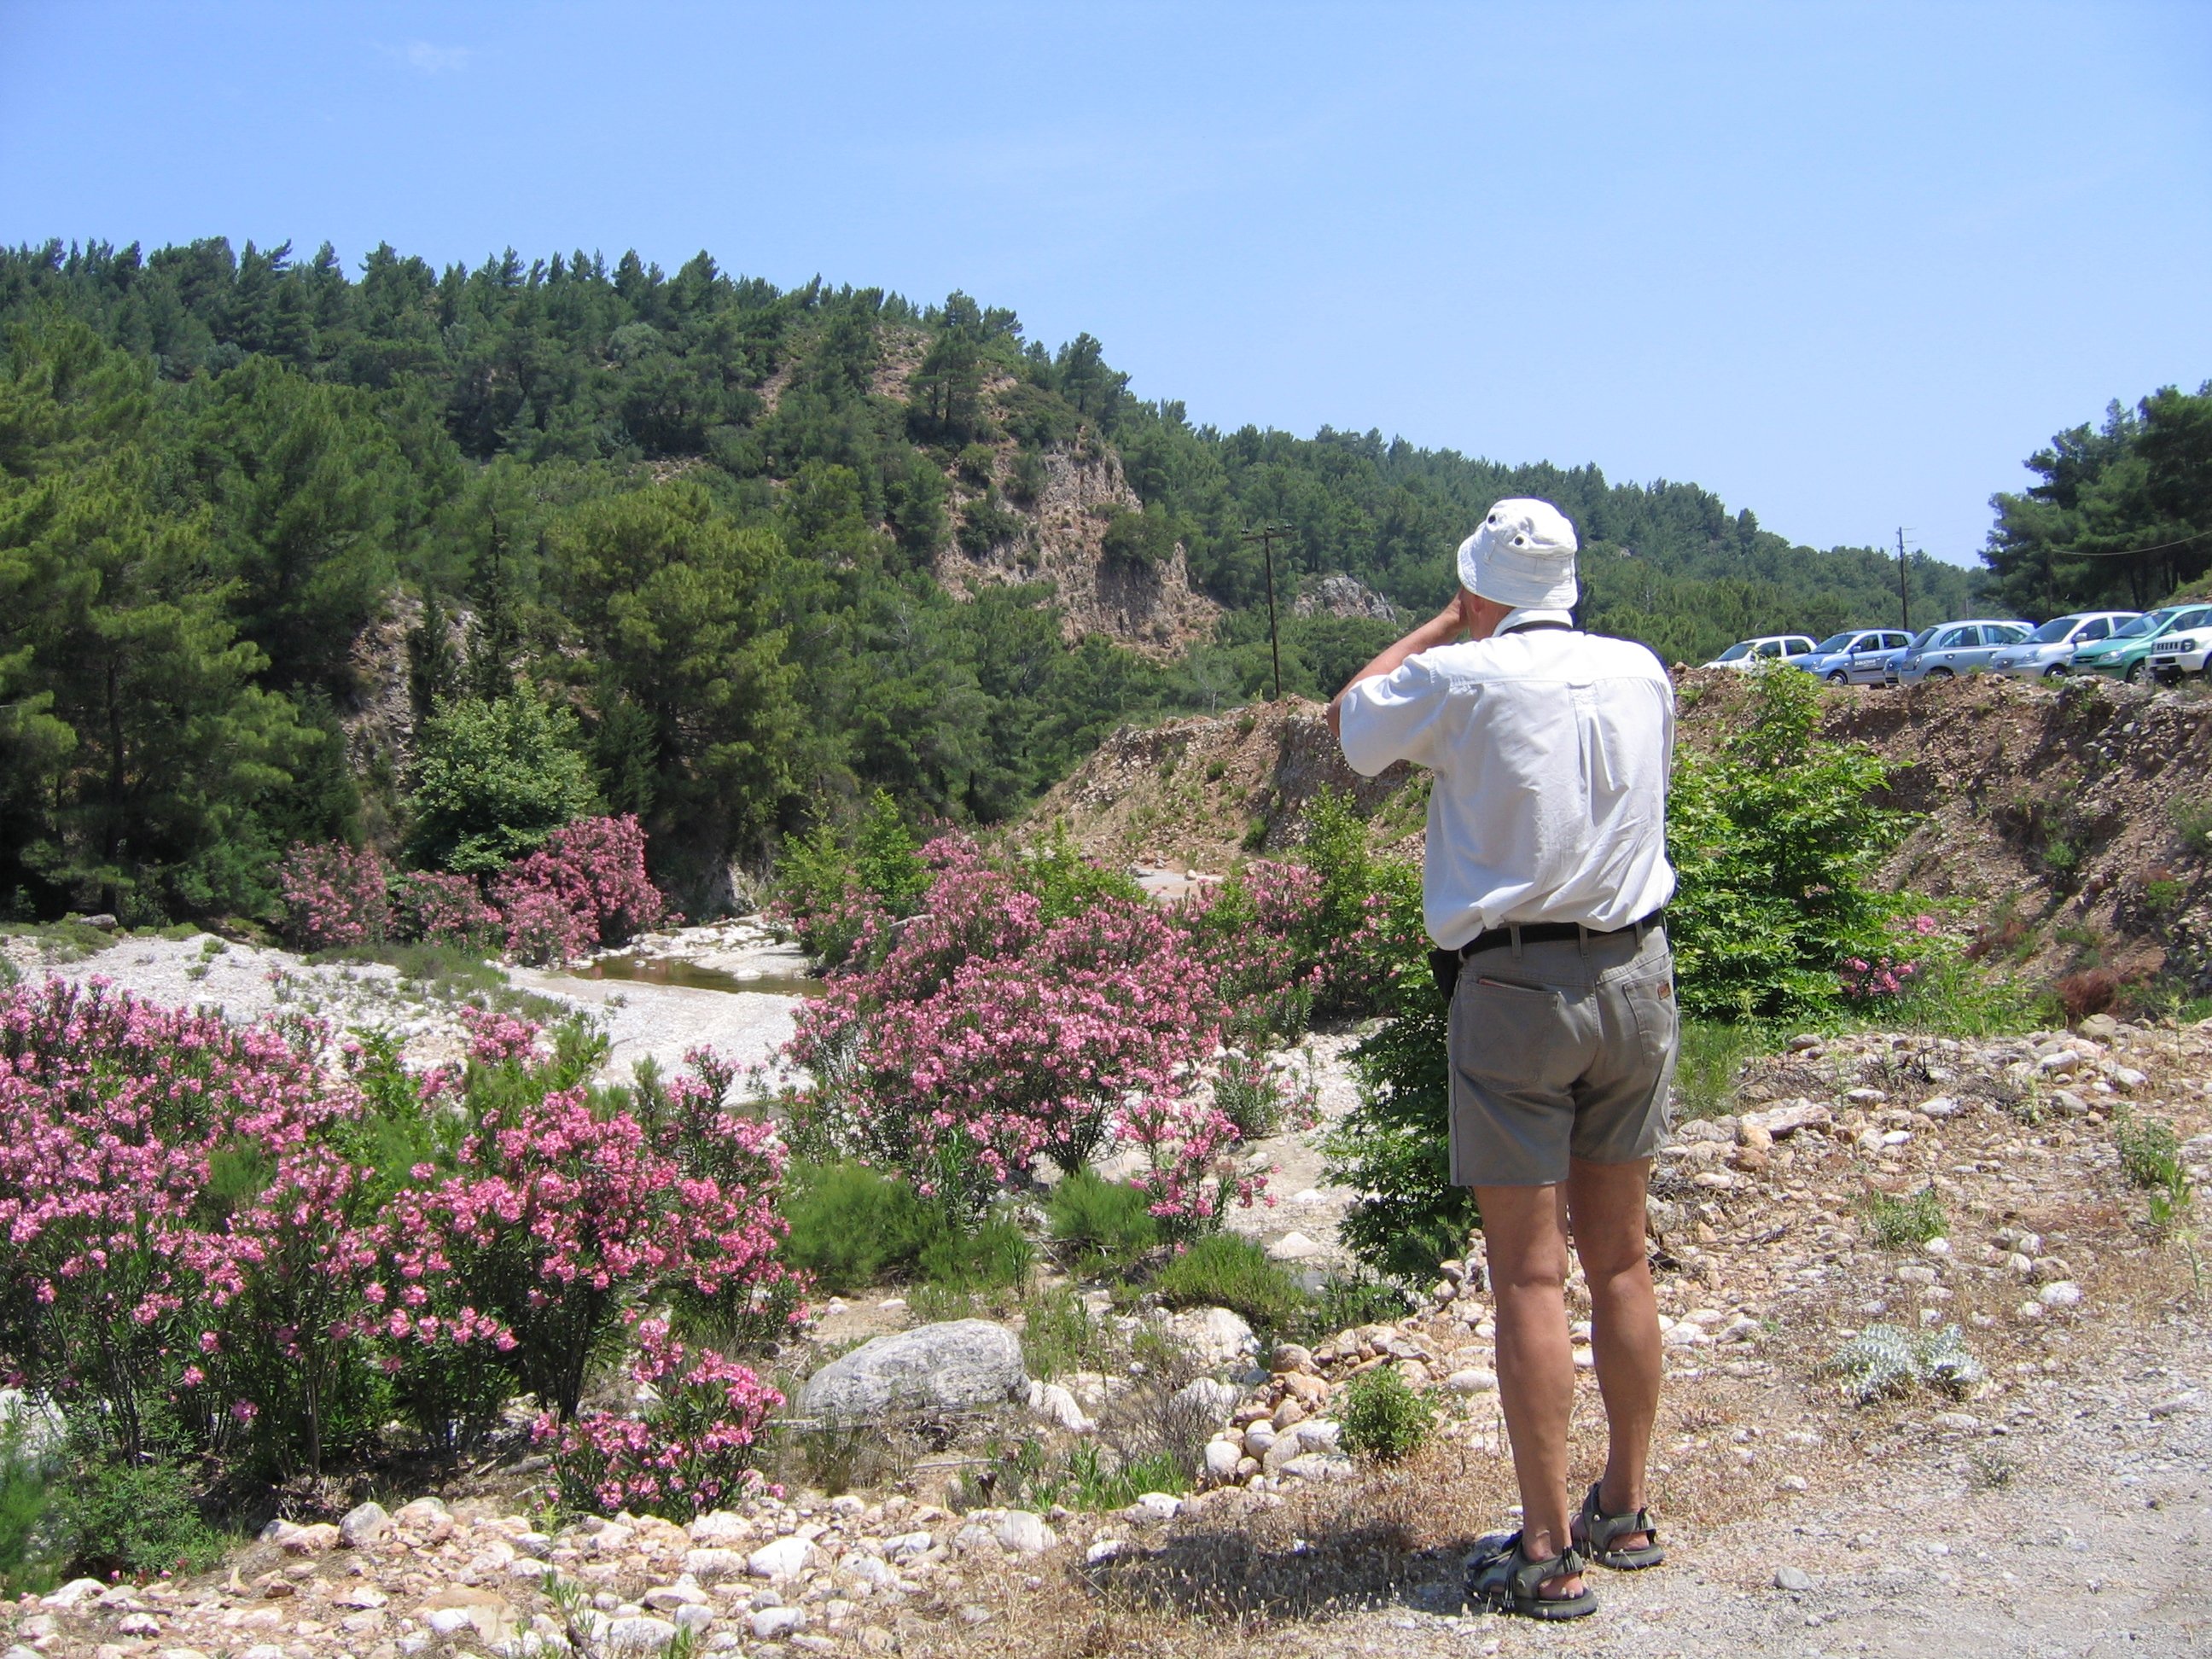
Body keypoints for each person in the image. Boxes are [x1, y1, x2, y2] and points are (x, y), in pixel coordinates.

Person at [1326, 498, 1677, 1621]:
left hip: (1514, 988)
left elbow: (1347, 726)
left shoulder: (1462, 677)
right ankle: (1622, 1506)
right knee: (1621, 1263)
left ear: (1482, 589)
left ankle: (1544, 1551)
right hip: (1637, 977)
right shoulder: (1642, 672)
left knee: (1531, 1276)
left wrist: (1447, 621)